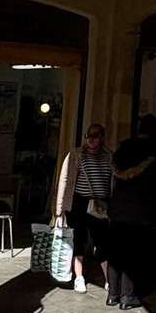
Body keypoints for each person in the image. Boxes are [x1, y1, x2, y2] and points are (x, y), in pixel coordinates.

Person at [106, 114, 156, 310]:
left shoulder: (124, 148)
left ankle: (112, 294)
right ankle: (128, 295)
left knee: (115, 252)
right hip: (140, 210)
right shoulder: (155, 149)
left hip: (117, 208)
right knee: (133, 253)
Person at [53, 123, 112, 293]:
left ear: (102, 138)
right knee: (78, 239)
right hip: (79, 202)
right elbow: (64, 180)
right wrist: (59, 208)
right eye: (88, 135)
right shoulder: (76, 155)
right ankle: (79, 277)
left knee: (102, 241)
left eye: (95, 136)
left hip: (100, 204)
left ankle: (109, 280)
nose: (90, 139)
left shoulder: (109, 157)